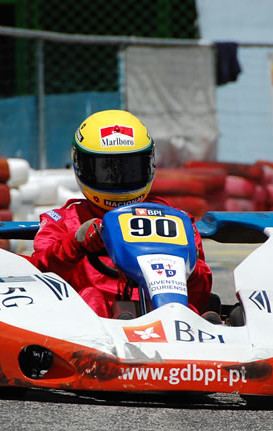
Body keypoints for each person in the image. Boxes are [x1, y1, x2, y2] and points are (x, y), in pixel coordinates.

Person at [30, 109, 214, 320]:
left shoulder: (174, 221)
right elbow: (39, 277)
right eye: (106, 170)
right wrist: (76, 243)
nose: (118, 179)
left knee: (189, 310)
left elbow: (200, 294)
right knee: (91, 298)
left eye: (130, 169)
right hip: (92, 328)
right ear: (82, 166)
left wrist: (184, 265)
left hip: (162, 318)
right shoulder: (64, 221)